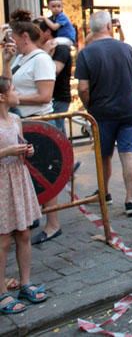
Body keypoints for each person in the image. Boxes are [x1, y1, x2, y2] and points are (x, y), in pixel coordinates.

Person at [75, 12, 132, 217]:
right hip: (128, 109)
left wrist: (88, 105)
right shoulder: (126, 48)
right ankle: (130, 199)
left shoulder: (86, 53)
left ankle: (104, 193)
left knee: (103, 155)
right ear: (108, 26)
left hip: (101, 112)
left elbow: (83, 88)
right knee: (128, 153)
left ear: (92, 29)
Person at [0, 77, 47, 315]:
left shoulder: (16, 119)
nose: (18, 93)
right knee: (4, 239)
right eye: (14, 89)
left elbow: (22, 143)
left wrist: (28, 149)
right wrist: (6, 151)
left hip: (18, 178)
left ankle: (25, 283)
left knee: (24, 233)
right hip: (1, 183)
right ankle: (0, 292)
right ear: (2, 97)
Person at [26, 18, 72, 245]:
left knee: (48, 167)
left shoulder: (55, 51)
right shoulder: (24, 56)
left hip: (45, 116)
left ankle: (52, 221)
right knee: (32, 173)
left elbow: (46, 92)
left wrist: (11, 99)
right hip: (26, 121)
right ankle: (35, 213)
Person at [2, 11, 55, 120]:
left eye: (12, 38)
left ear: (25, 37)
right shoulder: (20, 57)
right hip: (21, 118)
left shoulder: (41, 59)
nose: (10, 41)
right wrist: (6, 62)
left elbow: (45, 96)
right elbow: (6, 85)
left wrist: (14, 98)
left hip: (38, 120)